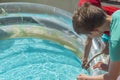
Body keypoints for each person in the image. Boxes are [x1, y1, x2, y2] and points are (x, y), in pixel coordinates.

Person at [72, 2, 120, 80]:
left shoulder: (115, 42)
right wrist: (109, 67)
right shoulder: (117, 14)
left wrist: (86, 78)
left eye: (88, 35)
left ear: (94, 31)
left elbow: (111, 77)